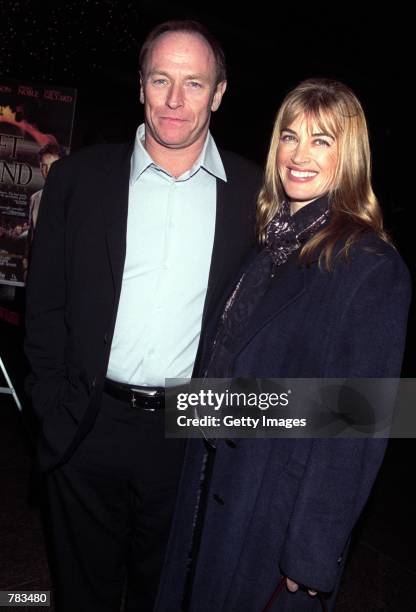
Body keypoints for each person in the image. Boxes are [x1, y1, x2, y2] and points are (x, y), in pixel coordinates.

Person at [24, 20, 262, 612]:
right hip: (86, 422)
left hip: (191, 431)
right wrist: (50, 408)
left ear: (220, 92)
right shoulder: (78, 179)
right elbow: (44, 304)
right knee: (82, 594)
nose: (176, 101)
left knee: (170, 595)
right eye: (161, 80)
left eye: (194, 83)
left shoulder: (253, 193)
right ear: (141, 86)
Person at [155, 79, 411, 611]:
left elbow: (361, 420)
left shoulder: (369, 266)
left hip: (272, 510)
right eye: (289, 137)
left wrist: (313, 552)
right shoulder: (269, 243)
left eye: (321, 141)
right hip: (211, 483)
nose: (299, 155)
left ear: (351, 156)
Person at [28, 143, 66, 236]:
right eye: (44, 165)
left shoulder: (70, 197)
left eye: (53, 165)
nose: (48, 170)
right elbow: (31, 235)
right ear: (40, 167)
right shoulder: (34, 198)